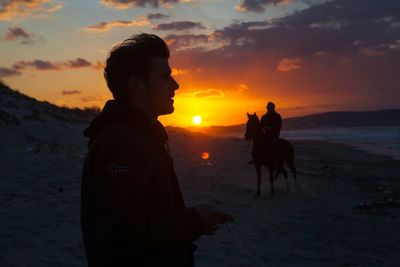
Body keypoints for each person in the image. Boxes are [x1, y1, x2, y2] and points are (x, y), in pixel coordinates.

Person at [81, 33, 233, 267]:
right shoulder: (121, 142)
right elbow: (119, 234)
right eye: (165, 76)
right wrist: (194, 221)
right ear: (136, 85)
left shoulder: (141, 135)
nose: (175, 85)